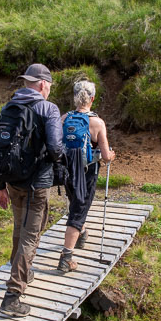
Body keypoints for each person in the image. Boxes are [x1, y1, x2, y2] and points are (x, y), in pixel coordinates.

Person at [0, 63, 64, 317]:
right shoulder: (48, 109)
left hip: (12, 181)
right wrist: (65, 162)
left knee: (18, 229)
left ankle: (22, 270)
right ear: (43, 84)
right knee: (30, 236)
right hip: (36, 183)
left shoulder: (9, 107)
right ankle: (12, 297)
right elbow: (55, 148)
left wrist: (0, 187)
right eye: (50, 86)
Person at [58, 80, 115, 273]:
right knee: (78, 212)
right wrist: (111, 156)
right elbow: (106, 157)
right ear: (92, 98)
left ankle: (81, 233)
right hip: (87, 174)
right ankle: (66, 258)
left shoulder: (64, 118)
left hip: (67, 171)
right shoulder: (97, 123)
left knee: (75, 205)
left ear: (75, 97)